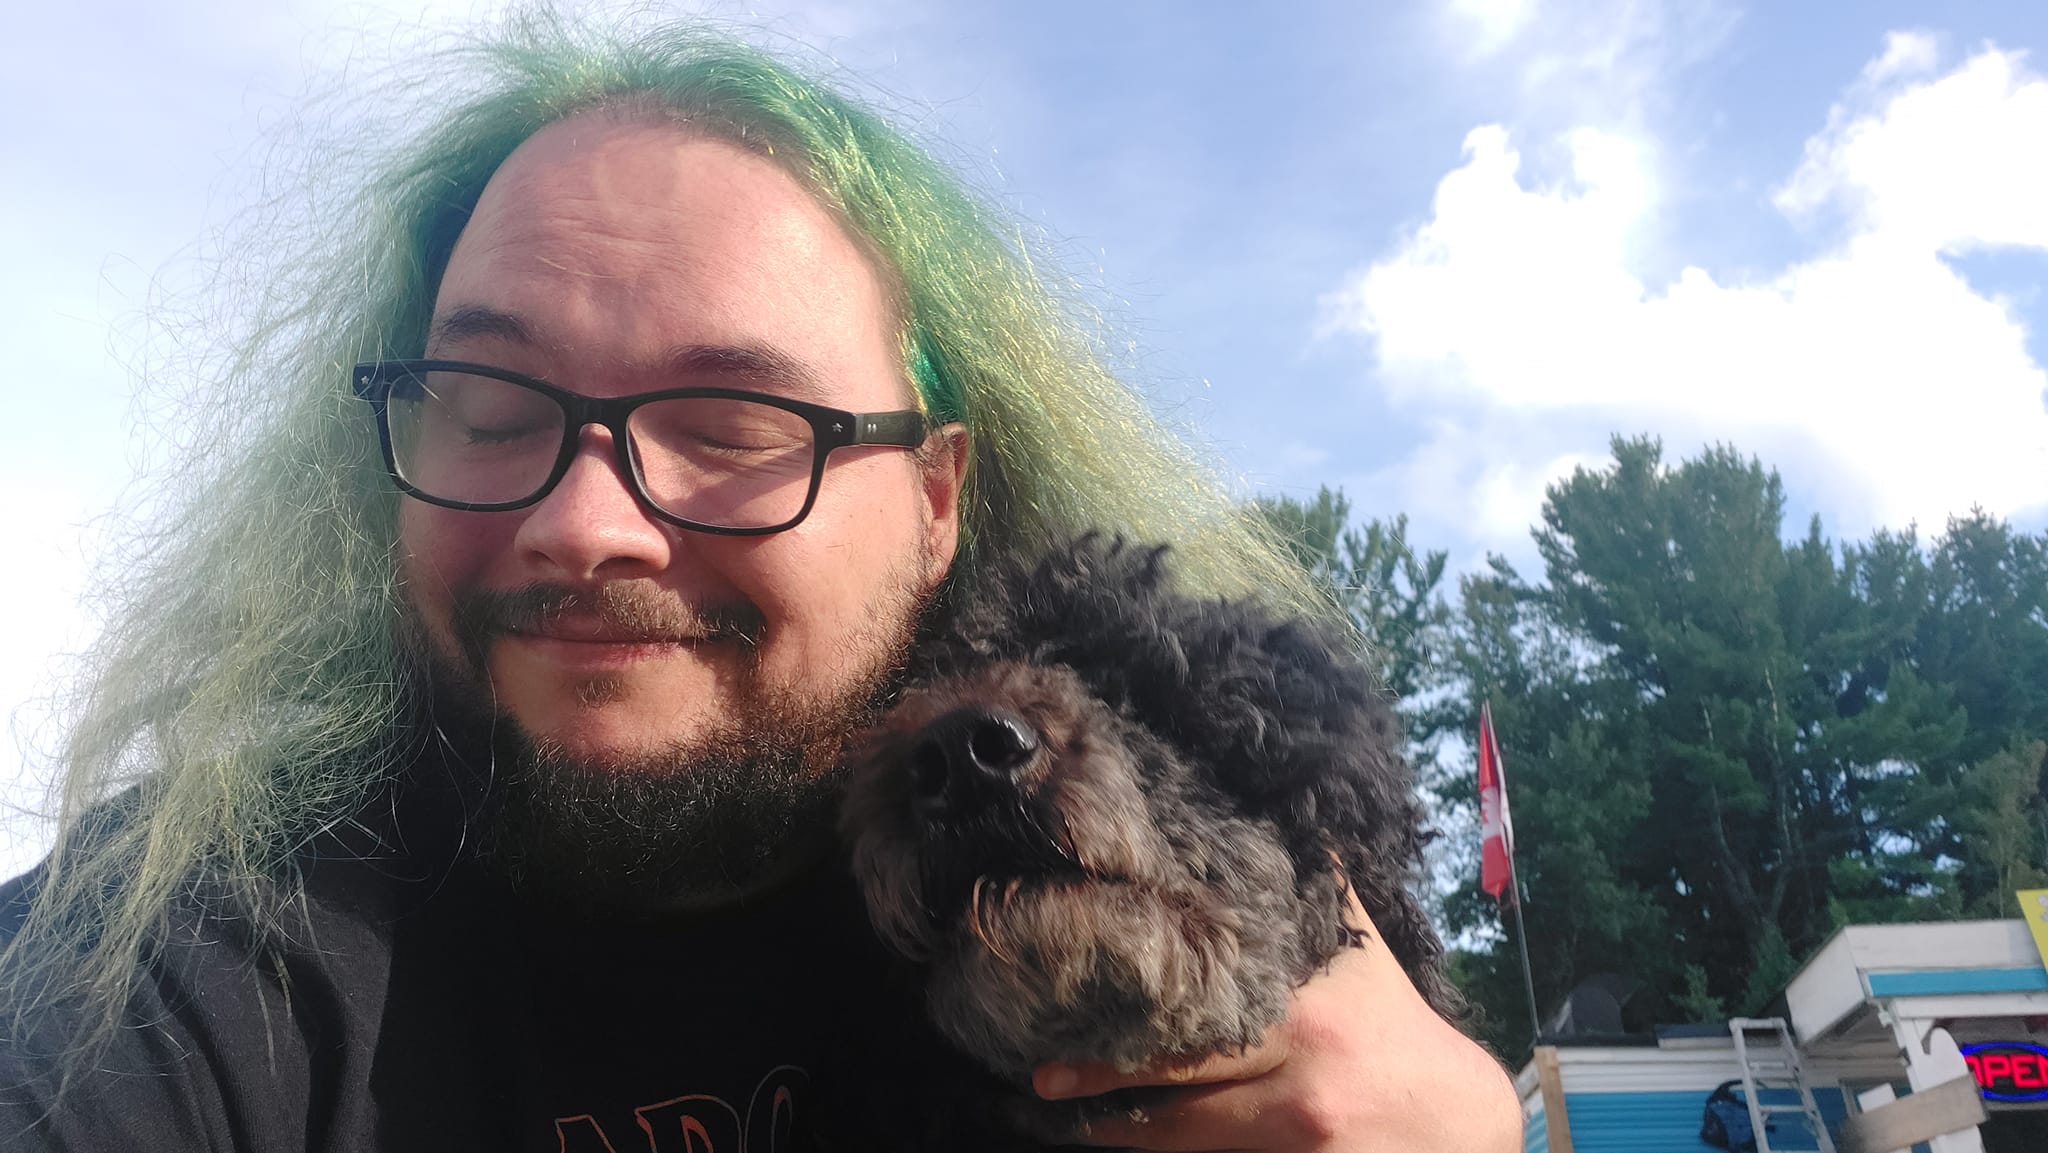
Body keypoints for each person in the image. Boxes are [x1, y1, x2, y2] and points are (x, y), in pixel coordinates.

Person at [0, 15, 1520, 1152]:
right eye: (488, 400)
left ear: (936, 502)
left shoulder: (1123, 905)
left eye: (732, 423)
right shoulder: (177, 967)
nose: (585, 522)